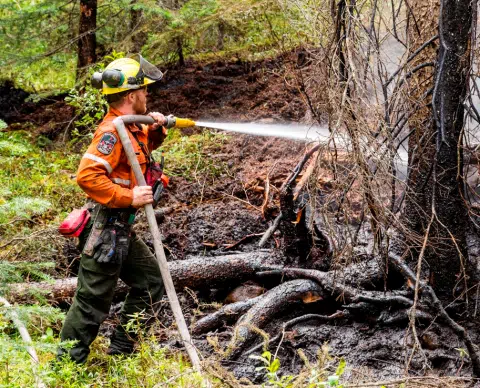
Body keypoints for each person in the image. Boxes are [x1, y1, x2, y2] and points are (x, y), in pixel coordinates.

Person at [59, 56, 168, 363]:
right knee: (91, 301)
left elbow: (138, 153)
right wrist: (130, 196)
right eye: (144, 91)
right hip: (105, 227)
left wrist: (156, 131)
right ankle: (66, 367)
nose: (147, 95)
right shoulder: (111, 131)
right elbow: (87, 176)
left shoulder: (132, 128)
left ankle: (121, 354)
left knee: (150, 280)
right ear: (132, 95)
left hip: (120, 227)